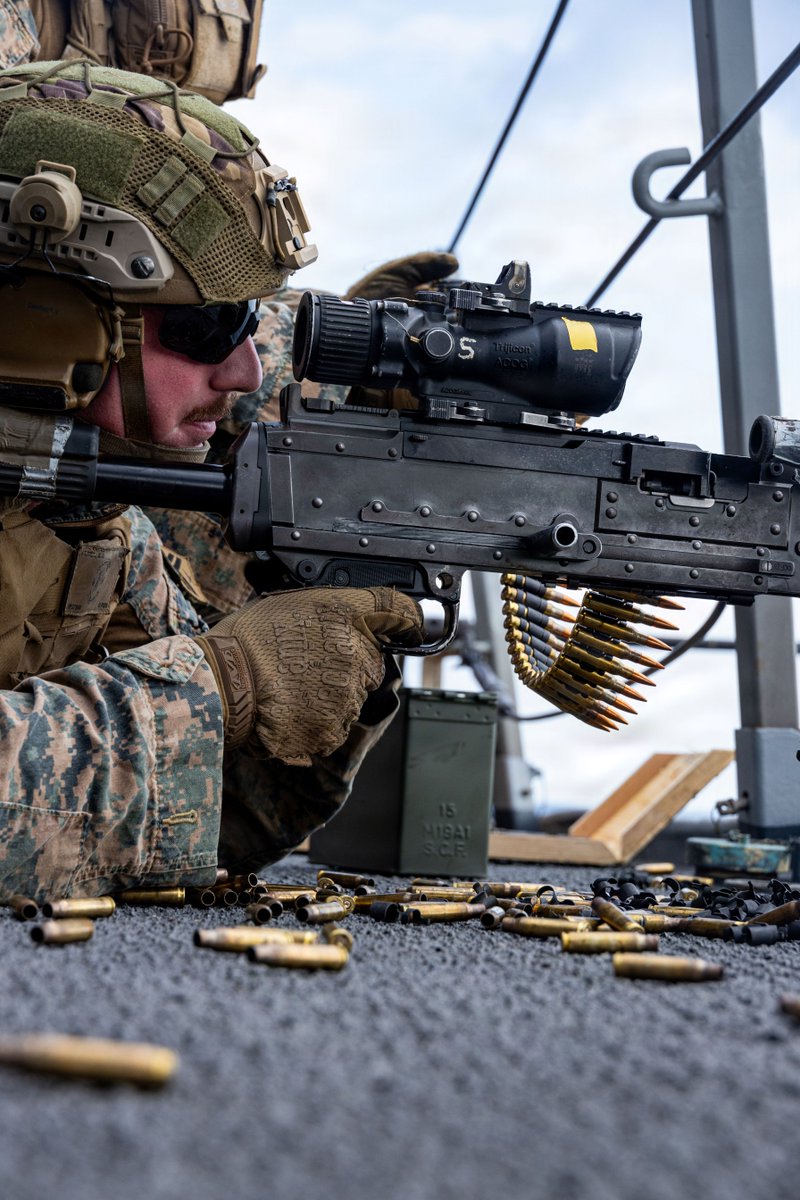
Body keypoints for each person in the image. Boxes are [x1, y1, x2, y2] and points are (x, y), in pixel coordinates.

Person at [0, 58, 422, 903]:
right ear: (45, 315)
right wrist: (223, 681)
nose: (244, 372)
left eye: (250, 322)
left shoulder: (90, 520)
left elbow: (210, 817)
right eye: (208, 325)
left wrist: (342, 633)